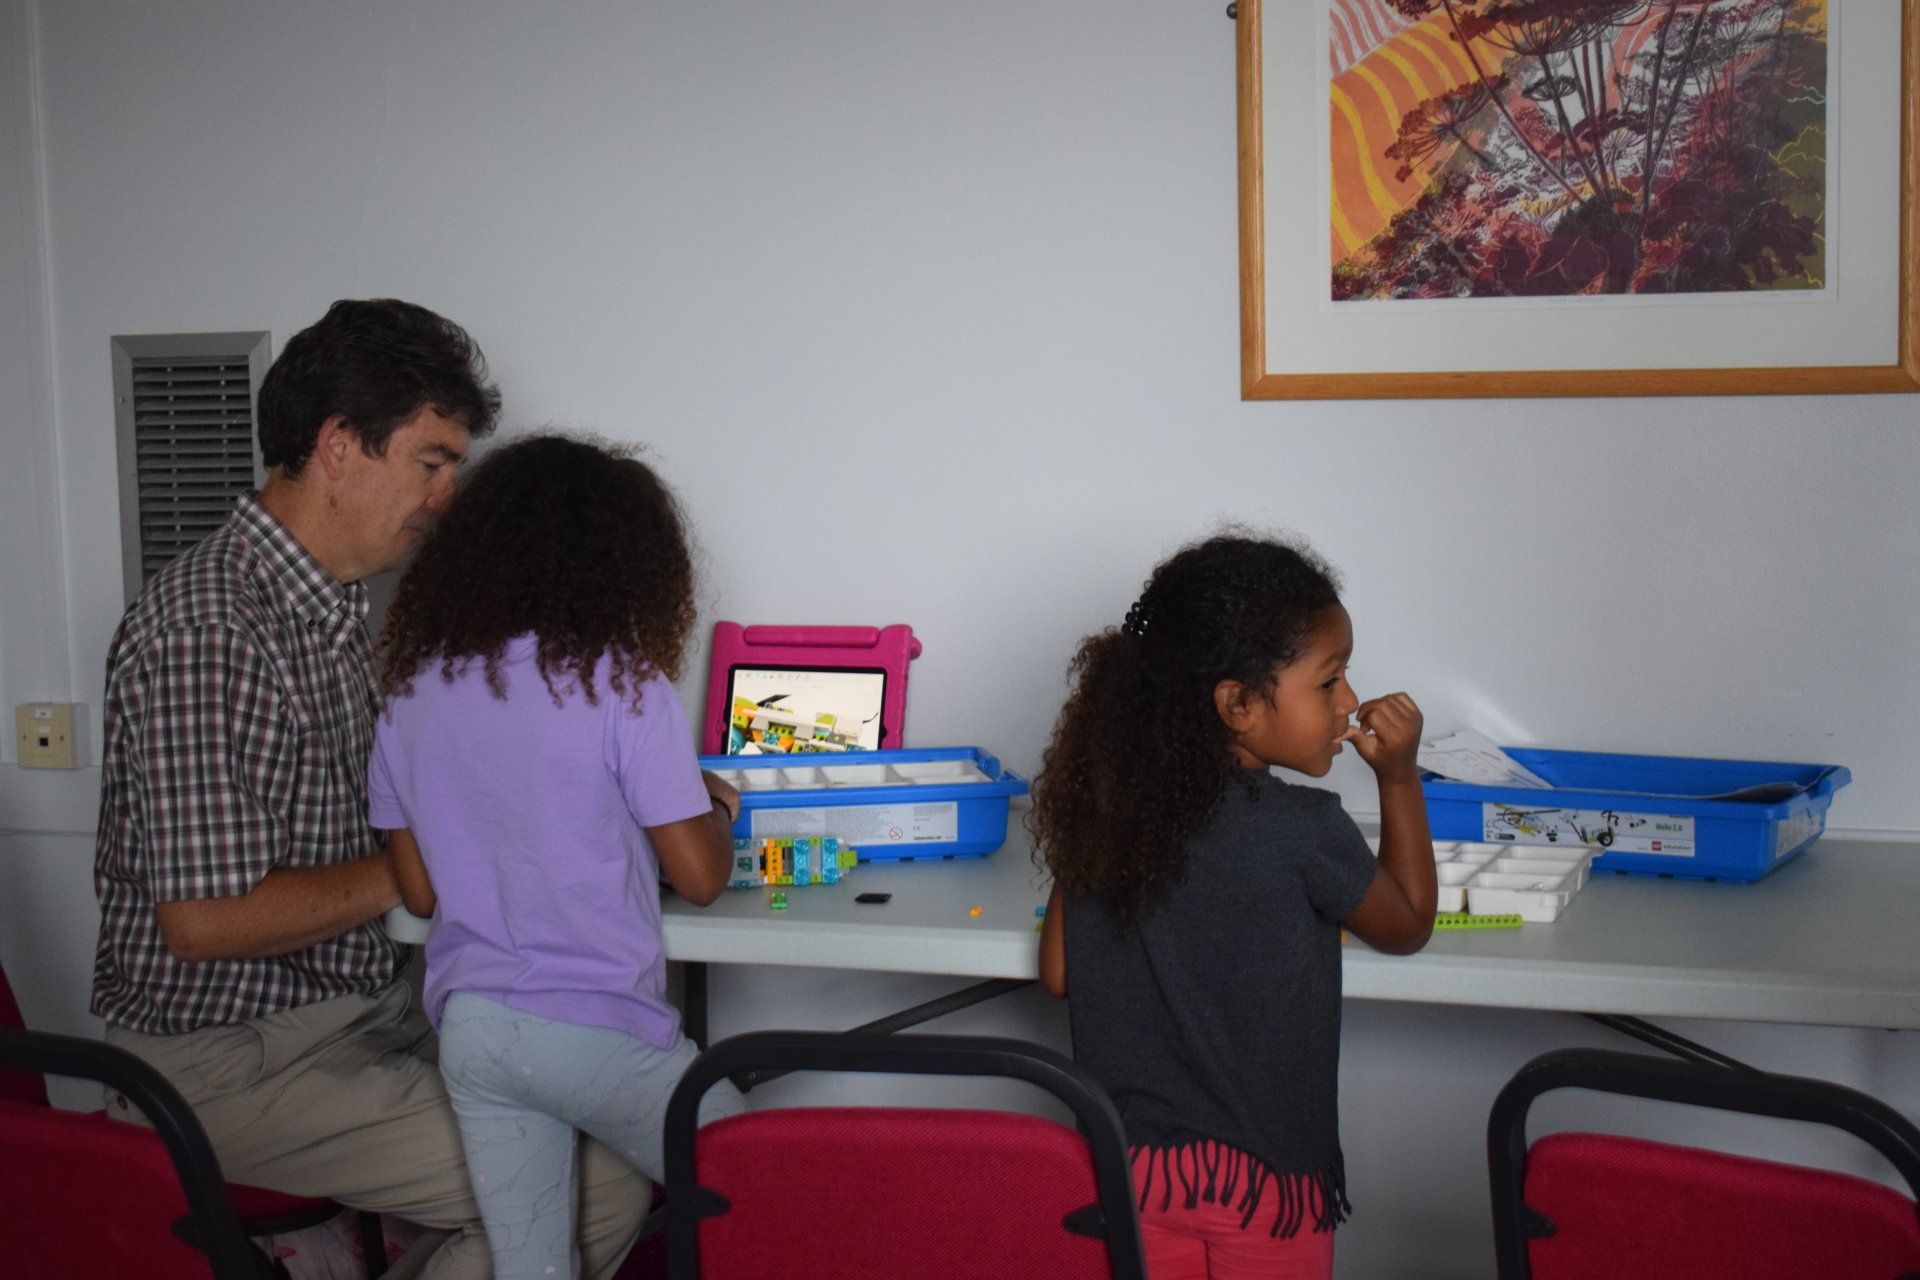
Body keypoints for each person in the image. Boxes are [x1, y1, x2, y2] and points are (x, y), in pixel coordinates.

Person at [91, 299, 651, 1279]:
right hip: (229, 1060)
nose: (446, 496)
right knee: (590, 1185)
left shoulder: (335, 611)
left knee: (618, 1120)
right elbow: (204, 922)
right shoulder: (210, 630)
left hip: (364, 1015)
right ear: (338, 445)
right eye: (432, 462)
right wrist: (430, 860)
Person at [367, 434, 748, 1280]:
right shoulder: (623, 684)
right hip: (596, 1035)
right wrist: (715, 806)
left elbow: (420, 894)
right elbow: (700, 878)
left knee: (532, 1269)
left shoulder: (409, 694)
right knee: (779, 1191)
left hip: (474, 1033)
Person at [1030, 533, 1437, 1280]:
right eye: (1329, 681)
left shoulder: (1113, 817)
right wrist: (1401, 778)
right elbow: (1407, 924)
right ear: (1238, 704)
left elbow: (1059, 972)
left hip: (1129, 1175)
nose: (1350, 702)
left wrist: (1096, 826)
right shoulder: (1306, 829)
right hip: (1267, 1189)